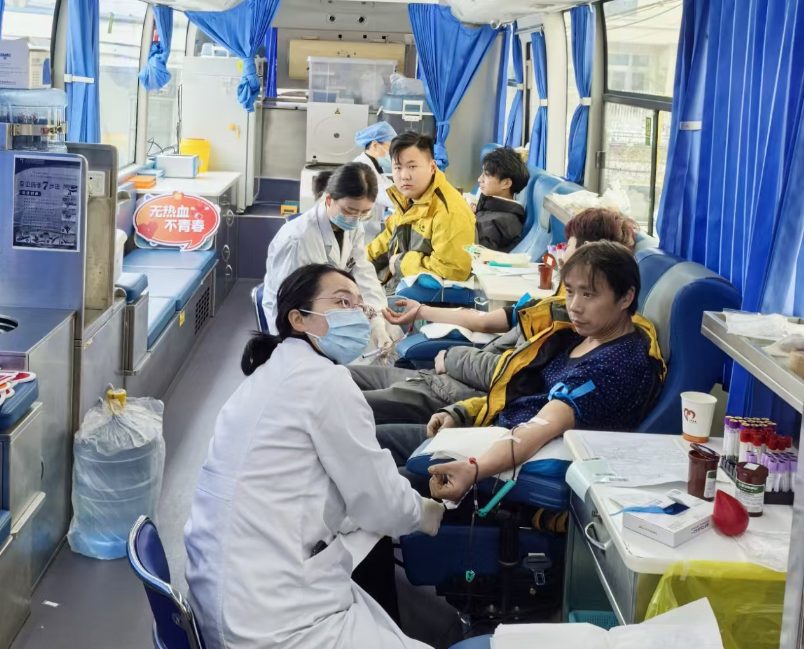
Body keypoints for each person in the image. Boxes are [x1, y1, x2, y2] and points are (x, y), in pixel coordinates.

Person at [185, 264, 444, 649]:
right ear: (298, 319)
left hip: (228, 592)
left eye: (359, 306)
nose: (356, 315)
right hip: (273, 622)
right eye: (342, 302)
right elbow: (383, 503)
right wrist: (430, 512)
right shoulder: (325, 383)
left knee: (366, 548)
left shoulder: (270, 374)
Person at [375, 242, 666, 470]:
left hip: (504, 457)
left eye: (588, 295)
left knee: (375, 446)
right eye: (570, 292)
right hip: (487, 426)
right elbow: (523, 390)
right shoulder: (581, 334)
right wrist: (462, 412)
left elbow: (539, 428)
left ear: (626, 297)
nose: (574, 306)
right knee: (373, 440)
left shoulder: (614, 366)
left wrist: (476, 469)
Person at [349, 208, 641, 426]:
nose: (562, 256)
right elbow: (487, 321)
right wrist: (422, 311)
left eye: (570, 246)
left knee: (345, 404)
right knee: (346, 377)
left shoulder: (572, 324)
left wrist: (452, 357)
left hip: (461, 394)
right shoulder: (555, 305)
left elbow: (515, 376)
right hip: (449, 379)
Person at [262, 162, 394, 353]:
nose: (356, 219)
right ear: (329, 199)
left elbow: (363, 274)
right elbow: (288, 304)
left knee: (381, 339)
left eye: (364, 213)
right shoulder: (298, 239)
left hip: (327, 309)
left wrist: (377, 323)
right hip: (297, 324)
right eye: (349, 211)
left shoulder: (353, 227)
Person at [367, 132, 476, 294]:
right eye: (397, 167)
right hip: (396, 285)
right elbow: (387, 239)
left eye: (412, 167)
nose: (404, 176)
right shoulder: (408, 198)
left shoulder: (449, 211)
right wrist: (357, 263)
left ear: (432, 167)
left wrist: (401, 262)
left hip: (421, 299)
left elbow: (454, 269)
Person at [472, 147, 531, 252]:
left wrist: (466, 219)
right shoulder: (496, 211)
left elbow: (478, 254)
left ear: (506, 183)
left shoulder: (501, 223)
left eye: (486, 175)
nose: (480, 179)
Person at [353, 122, 397, 240]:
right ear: (375, 145)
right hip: (357, 233)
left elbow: (389, 187)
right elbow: (385, 195)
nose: (392, 153)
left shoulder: (375, 166)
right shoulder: (362, 167)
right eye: (389, 147)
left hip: (366, 231)